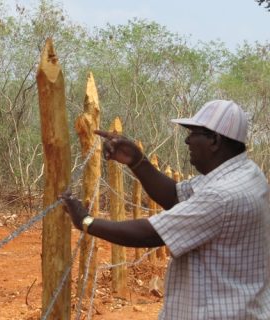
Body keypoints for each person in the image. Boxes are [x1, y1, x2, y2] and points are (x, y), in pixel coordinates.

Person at [61, 100, 270, 319]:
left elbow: (152, 233)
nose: (187, 140)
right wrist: (136, 160)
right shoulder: (245, 173)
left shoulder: (224, 194)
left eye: (193, 133)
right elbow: (175, 195)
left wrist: (86, 221)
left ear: (215, 140)